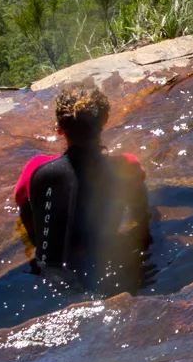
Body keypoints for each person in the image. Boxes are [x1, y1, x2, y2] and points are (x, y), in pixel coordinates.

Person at [13, 85, 151, 293]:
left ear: (59, 128)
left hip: (53, 273)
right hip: (105, 263)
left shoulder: (35, 168)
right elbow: (140, 214)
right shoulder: (127, 166)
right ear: (104, 120)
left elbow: (21, 202)